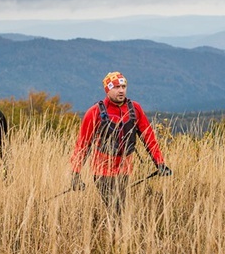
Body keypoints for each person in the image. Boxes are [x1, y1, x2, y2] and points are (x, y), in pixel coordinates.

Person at [70, 71, 172, 215]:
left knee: (120, 209)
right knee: (116, 209)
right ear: (108, 90)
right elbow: (83, 145)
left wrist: (160, 163)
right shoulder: (94, 113)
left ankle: (116, 235)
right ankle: (116, 235)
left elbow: (149, 137)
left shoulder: (134, 109)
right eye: (116, 87)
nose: (121, 90)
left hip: (124, 170)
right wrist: (75, 174)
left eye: (124, 86)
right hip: (102, 171)